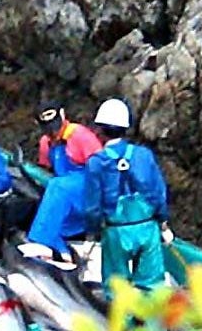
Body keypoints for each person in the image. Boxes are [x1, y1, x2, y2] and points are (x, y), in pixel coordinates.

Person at [84, 98, 172, 287]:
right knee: (152, 285)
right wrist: (163, 224)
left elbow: (92, 206)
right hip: (148, 229)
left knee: (117, 286)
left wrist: (91, 234)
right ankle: (149, 316)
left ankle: (121, 316)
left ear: (99, 130)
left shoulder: (96, 163)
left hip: (116, 233)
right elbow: (158, 192)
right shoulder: (144, 155)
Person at [35, 104, 102, 176]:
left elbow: (100, 165)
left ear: (62, 115)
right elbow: (45, 170)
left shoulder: (80, 135)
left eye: (55, 126)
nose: (53, 131)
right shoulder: (45, 142)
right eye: (47, 128)